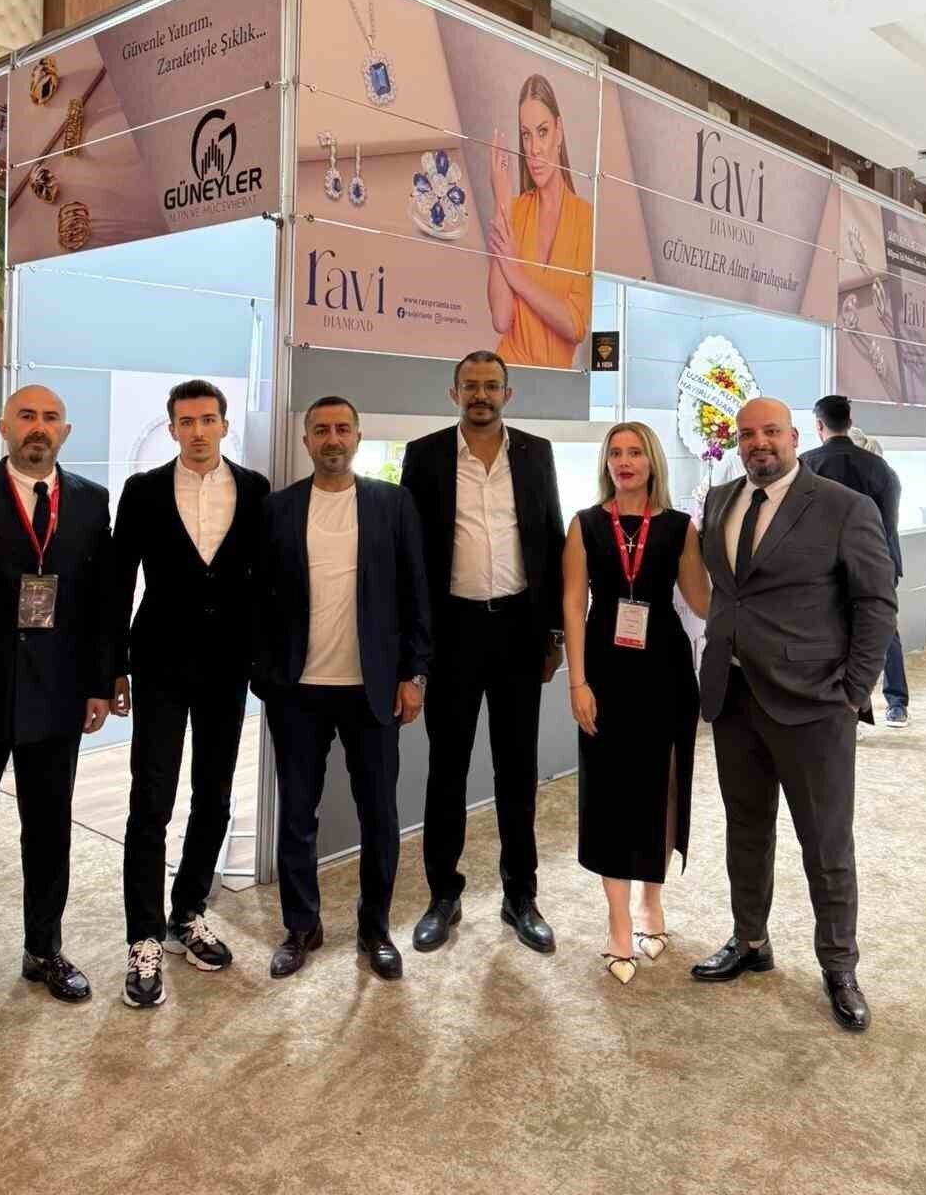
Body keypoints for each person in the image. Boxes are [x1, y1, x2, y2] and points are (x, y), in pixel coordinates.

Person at [693, 397, 897, 1032]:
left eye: (771, 432)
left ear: (795, 436)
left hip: (814, 704)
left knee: (826, 842)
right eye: (747, 434)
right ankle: (751, 940)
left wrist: (853, 690)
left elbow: (876, 603)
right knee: (746, 830)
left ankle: (839, 966)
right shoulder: (720, 501)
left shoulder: (843, 507)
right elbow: (728, 592)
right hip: (734, 698)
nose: (759, 443)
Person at [0, 386, 115, 1033]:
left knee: (50, 829)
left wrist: (100, 681)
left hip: (57, 694)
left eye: (50, 418)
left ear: (66, 431)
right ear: (5, 428)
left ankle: (44, 948)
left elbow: (101, 602)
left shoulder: (92, 501)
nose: (39, 427)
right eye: (27, 417)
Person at [253, 396, 431, 981]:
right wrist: (264, 673)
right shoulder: (277, 509)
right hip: (297, 691)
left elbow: (416, 594)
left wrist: (414, 674)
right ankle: (301, 926)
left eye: (343, 429)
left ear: (358, 436)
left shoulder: (392, 503)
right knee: (295, 815)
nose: (333, 439)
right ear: (306, 440)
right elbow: (257, 597)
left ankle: (374, 928)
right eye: (321, 430)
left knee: (379, 813)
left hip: (371, 690)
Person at [401, 350, 566, 955]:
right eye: (470, 386)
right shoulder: (424, 455)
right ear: (453, 393)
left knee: (516, 769)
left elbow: (549, 538)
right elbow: (410, 555)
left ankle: (520, 896)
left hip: (519, 630)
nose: (480, 395)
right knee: (446, 771)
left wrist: (554, 634)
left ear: (507, 394)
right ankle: (442, 895)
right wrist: (414, 650)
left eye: (491, 386)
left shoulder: (536, 452)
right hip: (452, 634)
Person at [112, 379, 270, 1009]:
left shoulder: (254, 490)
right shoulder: (143, 491)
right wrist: (112, 667)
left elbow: (265, 583)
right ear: (172, 428)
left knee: (215, 794)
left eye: (208, 419)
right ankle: (143, 936)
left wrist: (264, 657)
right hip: (159, 664)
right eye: (187, 421)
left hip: (227, 667)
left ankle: (188, 911)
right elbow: (119, 580)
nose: (198, 431)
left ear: (224, 425)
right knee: (150, 799)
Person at [563, 423, 710, 984]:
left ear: (652, 462)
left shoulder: (678, 527)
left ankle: (652, 899)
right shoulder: (584, 525)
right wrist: (578, 683)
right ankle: (618, 918)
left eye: (636, 453)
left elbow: (702, 600)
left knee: (659, 788)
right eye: (616, 453)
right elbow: (573, 605)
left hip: (665, 673)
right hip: (604, 672)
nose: (625, 462)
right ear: (606, 463)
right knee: (609, 794)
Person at [801, 396, 908, 726]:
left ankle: (842, 708)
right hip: (877, 563)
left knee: (828, 635)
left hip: (823, 568)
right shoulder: (880, 467)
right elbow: (889, 522)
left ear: (819, 425)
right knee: (883, 630)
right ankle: (897, 704)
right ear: (849, 422)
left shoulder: (806, 465)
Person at [488, 74, 593, 370]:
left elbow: (575, 325)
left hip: (555, 385)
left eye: (543, 132)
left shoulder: (587, 219)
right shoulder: (514, 210)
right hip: (509, 375)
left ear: (559, 132)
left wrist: (516, 276)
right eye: (526, 135)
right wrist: (501, 199)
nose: (534, 148)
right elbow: (501, 319)